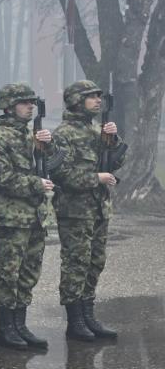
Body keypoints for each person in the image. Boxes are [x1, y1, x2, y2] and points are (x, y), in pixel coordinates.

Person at [0, 82, 57, 350]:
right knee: (8, 273)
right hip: (9, 217)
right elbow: (1, 178)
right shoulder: (0, 138)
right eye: (23, 103)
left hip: (34, 217)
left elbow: (54, 166)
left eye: (32, 103)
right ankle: (6, 330)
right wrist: (35, 184)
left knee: (28, 272)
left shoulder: (33, 135)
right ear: (9, 106)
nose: (29, 107)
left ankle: (20, 324)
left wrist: (47, 147)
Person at [53, 79, 123, 342]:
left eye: (98, 96)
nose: (97, 100)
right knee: (76, 263)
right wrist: (98, 178)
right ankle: (75, 321)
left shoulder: (97, 131)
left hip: (98, 209)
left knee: (95, 263)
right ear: (75, 101)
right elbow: (62, 174)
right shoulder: (63, 134)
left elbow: (119, 160)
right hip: (74, 211)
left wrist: (113, 139)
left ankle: (88, 315)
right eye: (91, 96)